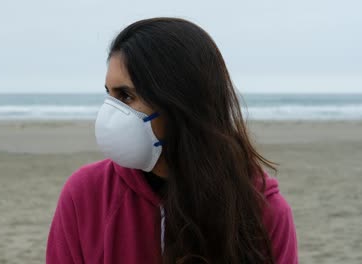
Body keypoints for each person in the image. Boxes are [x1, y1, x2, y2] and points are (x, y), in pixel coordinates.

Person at [46, 17, 298, 264]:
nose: (110, 112)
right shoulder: (87, 194)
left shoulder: (263, 211)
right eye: (109, 95)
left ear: (180, 103)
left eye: (125, 96)